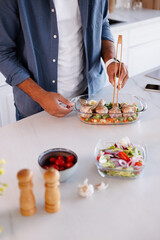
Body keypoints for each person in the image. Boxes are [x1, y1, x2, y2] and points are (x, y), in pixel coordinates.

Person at [0, 0, 128, 120]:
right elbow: (3, 53)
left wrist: (110, 60)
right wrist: (41, 96)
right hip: (38, 110)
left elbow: (102, 22)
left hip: (91, 102)